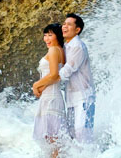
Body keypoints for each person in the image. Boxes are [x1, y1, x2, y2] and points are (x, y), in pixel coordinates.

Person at [34, 13, 96, 144]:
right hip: (71, 97)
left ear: (77, 30)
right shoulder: (65, 47)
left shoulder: (78, 46)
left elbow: (63, 73)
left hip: (83, 97)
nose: (64, 26)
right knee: (72, 136)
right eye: (64, 24)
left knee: (82, 135)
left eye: (69, 24)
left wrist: (40, 86)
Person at [32, 23, 66, 158]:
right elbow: (55, 76)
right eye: (45, 35)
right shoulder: (60, 50)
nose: (46, 38)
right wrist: (42, 86)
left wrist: (36, 85)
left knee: (53, 141)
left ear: (58, 36)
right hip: (52, 97)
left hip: (51, 99)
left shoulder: (53, 50)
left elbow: (54, 75)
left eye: (50, 35)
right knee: (53, 141)